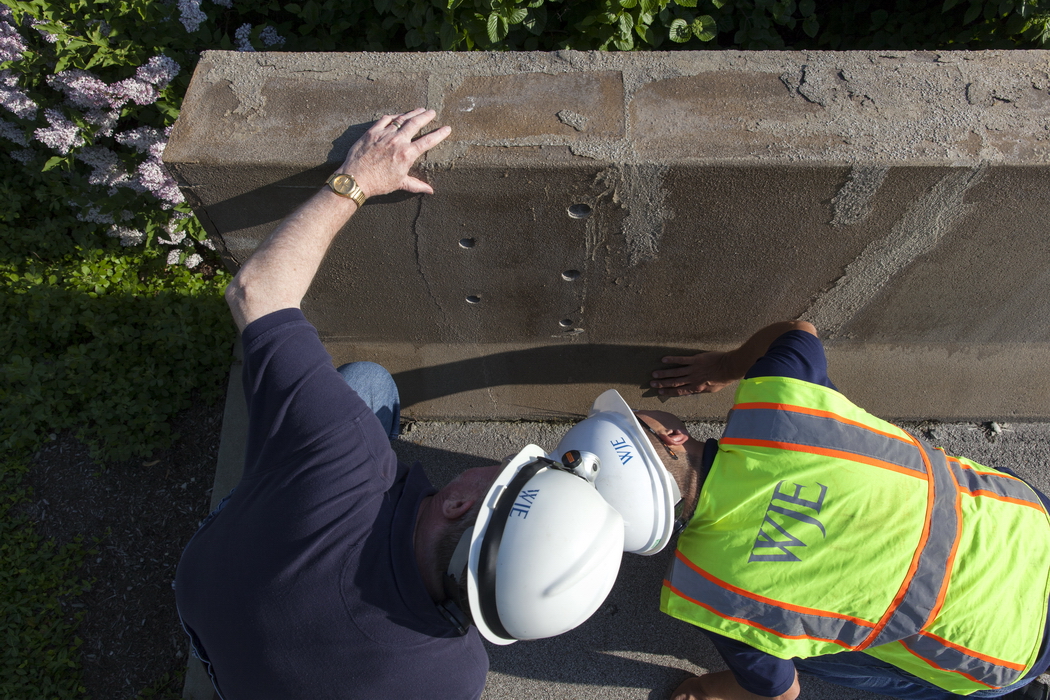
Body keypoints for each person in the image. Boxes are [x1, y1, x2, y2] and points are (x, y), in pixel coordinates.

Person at [633, 321, 1050, 700]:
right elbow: (799, 330)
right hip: (1029, 520)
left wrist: (707, 688)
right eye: (634, 419)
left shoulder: (714, 591)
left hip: (1003, 649)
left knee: (806, 644)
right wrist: (724, 367)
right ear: (673, 435)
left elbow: (782, 692)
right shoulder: (779, 402)